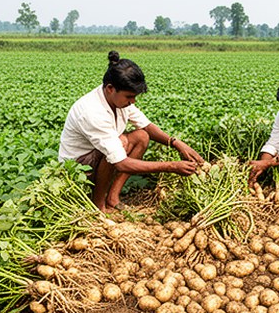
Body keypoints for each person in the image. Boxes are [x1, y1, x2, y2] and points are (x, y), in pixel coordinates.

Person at [58, 51, 205, 212]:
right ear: (110, 88)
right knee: (120, 143)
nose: (133, 101)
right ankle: (98, 206)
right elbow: (120, 163)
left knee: (141, 136)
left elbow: (146, 126)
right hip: (79, 168)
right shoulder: (92, 111)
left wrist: (176, 143)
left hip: (97, 158)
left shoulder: (117, 100)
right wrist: (171, 166)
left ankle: (113, 198)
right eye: (129, 96)